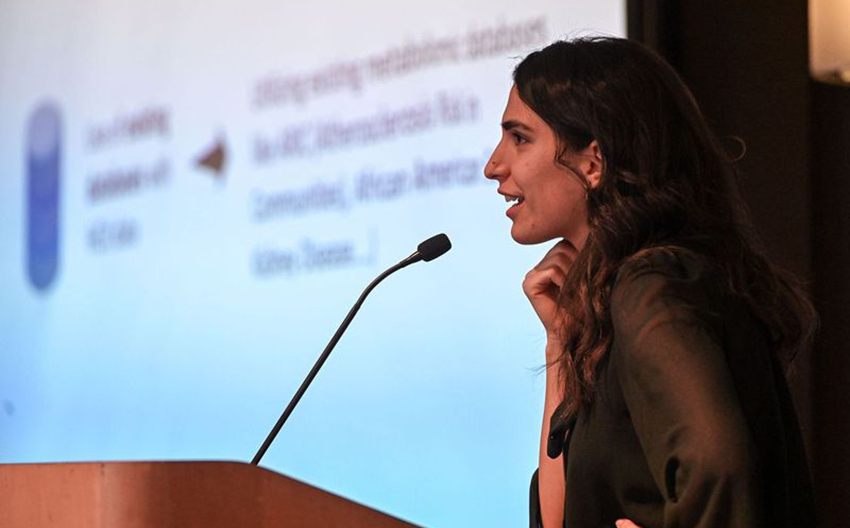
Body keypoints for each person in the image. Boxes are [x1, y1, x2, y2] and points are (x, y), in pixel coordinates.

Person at [484, 37, 817, 528]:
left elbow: (717, 464)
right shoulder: (620, 300)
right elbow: (560, 521)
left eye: (520, 138)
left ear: (592, 163)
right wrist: (562, 341)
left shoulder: (651, 285)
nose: (494, 165)